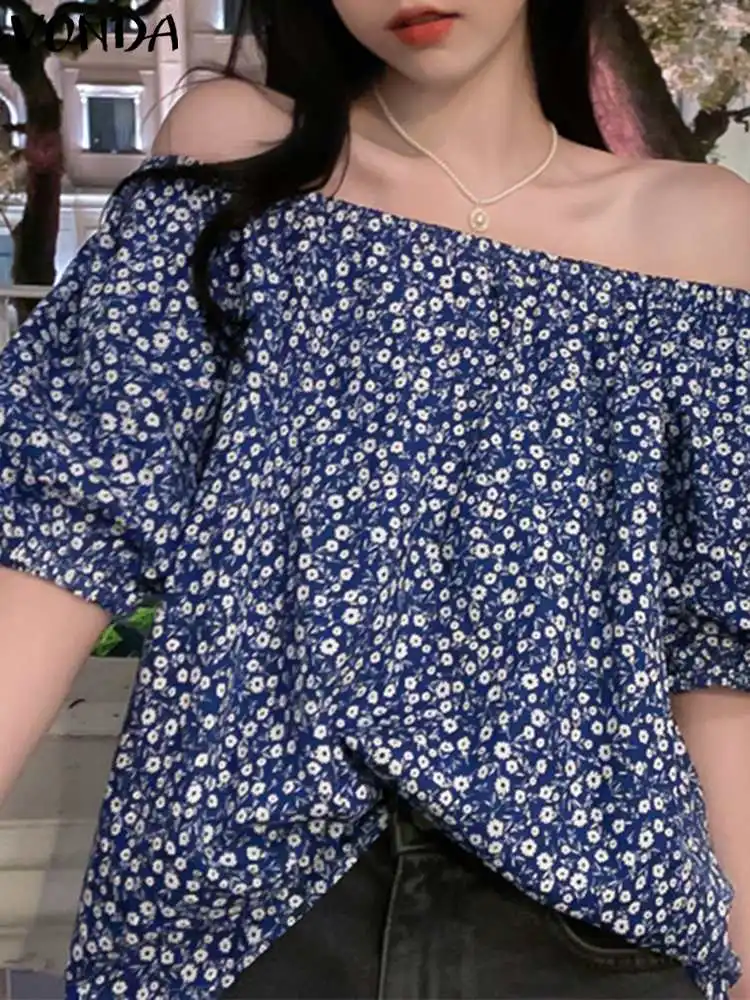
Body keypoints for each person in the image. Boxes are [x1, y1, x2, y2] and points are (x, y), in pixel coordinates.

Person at [0, 0, 748, 997]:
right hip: (241, 912)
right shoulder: (238, 162)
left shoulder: (698, 229)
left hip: (591, 917)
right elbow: (68, 517)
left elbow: (713, 643)